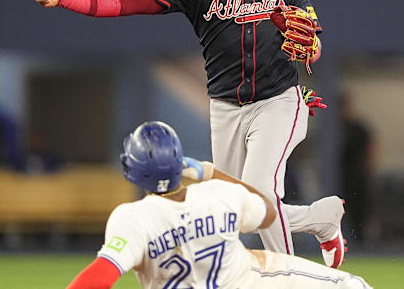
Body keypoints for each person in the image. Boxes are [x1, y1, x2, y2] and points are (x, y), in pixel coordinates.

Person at [30, 0, 343, 265]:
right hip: (225, 107)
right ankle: (321, 219)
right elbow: (124, 1)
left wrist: (309, 47)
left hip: (278, 101)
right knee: (231, 208)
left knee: (259, 190)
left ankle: (291, 277)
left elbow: (315, 45)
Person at [66, 121, 372, 289]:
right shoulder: (217, 193)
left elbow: (99, 276)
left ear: (133, 171)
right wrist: (210, 172)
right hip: (249, 281)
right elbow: (267, 210)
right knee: (353, 285)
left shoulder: (132, 218)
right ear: (178, 162)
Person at [338, 93, 376, 244]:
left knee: (360, 213)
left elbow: (371, 147)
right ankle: (342, 242)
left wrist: (369, 169)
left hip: (357, 177)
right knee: (340, 213)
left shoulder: (357, 128)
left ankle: (362, 243)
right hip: (339, 178)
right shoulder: (333, 130)